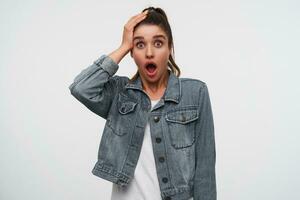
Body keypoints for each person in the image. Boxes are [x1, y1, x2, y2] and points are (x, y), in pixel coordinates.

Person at [69, 6, 216, 200]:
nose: (149, 53)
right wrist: (122, 46)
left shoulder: (195, 93)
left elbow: (205, 169)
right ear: (132, 52)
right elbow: (81, 88)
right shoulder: (119, 93)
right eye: (139, 45)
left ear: (169, 48)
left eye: (158, 43)